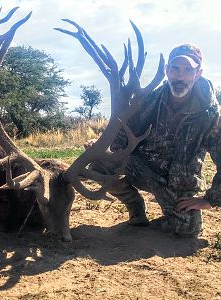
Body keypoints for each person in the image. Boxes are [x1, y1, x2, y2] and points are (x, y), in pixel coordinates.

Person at [92, 44, 221, 237]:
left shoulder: (210, 114)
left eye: (188, 70)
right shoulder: (147, 101)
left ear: (198, 73)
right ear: (166, 70)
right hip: (141, 169)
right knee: (99, 165)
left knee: (187, 230)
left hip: (177, 183)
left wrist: (209, 200)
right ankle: (134, 204)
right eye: (175, 68)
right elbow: (121, 135)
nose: (180, 76)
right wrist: (104, 148)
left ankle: (171, 217)